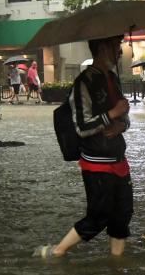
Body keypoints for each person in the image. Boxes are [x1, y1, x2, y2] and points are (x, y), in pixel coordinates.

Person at [35, 35, 133, 258]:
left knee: (122, 215)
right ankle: (57, 252)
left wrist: (122, 125)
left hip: (119, 160)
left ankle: (117, 266)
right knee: (98, 216)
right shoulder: (84, 83)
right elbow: (82, 126)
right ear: (102, 48)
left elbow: (124, 117)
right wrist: (113, 114)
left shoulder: (113, 78)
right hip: (97, 164)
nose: (120, 51)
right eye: (116, 46)